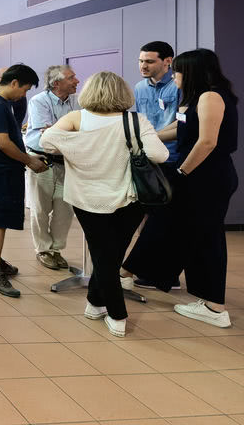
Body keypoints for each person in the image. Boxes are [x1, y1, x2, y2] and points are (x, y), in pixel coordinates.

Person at [41, 72, 168, 337]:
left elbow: (46, 141)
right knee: (111, 254)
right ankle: (116, 313)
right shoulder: (135, 120)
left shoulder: (76, 118)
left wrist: (82, 146)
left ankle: (97, 304)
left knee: (104, 255)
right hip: (130, 199)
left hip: (86, 198)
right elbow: (159, 154)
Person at [124, 49, 239, 328]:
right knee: (170, 224)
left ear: (192, 71)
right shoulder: (198, 98)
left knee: (205, 236)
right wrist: (140, 135)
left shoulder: (211, 96)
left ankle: (214, 307)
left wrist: (181, 171)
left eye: (178, 71)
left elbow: (207, 142)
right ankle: (139, 271)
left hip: (207, 176)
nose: (175, 75)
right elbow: (181, 128)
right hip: (198, 176)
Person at [0, 64, 48, 297]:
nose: (23, 95)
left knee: (3, 218)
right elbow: (3, 143)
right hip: (0, 170)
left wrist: (27, 157)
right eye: (25, 89)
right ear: (14, 82)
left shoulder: (3, 103)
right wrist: (28, 160)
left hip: (6, 169)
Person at [121, 41, 182, 290]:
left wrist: (152, 139)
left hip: (174, 160)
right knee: (152, 218)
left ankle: (141, 270)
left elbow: (182, 126)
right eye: (140, 61)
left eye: (149, 61)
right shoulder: (139, 88)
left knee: (162, 219)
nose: (143, 66)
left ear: (167, 61)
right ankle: (161, 274)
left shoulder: (178, 87)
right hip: (147, 160)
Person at [24, 65, 80, 271]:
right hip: (42, 160)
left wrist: (59, 131)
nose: (77, 81)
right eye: (71, 77)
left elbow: (57, 132)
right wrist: (72, 132)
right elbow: (46, 137)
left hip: (68, 162)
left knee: (65, 209)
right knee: (40, 208)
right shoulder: (39, 101)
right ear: (57, 83)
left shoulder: (76, 102)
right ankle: (43, 249)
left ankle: (56, 249)